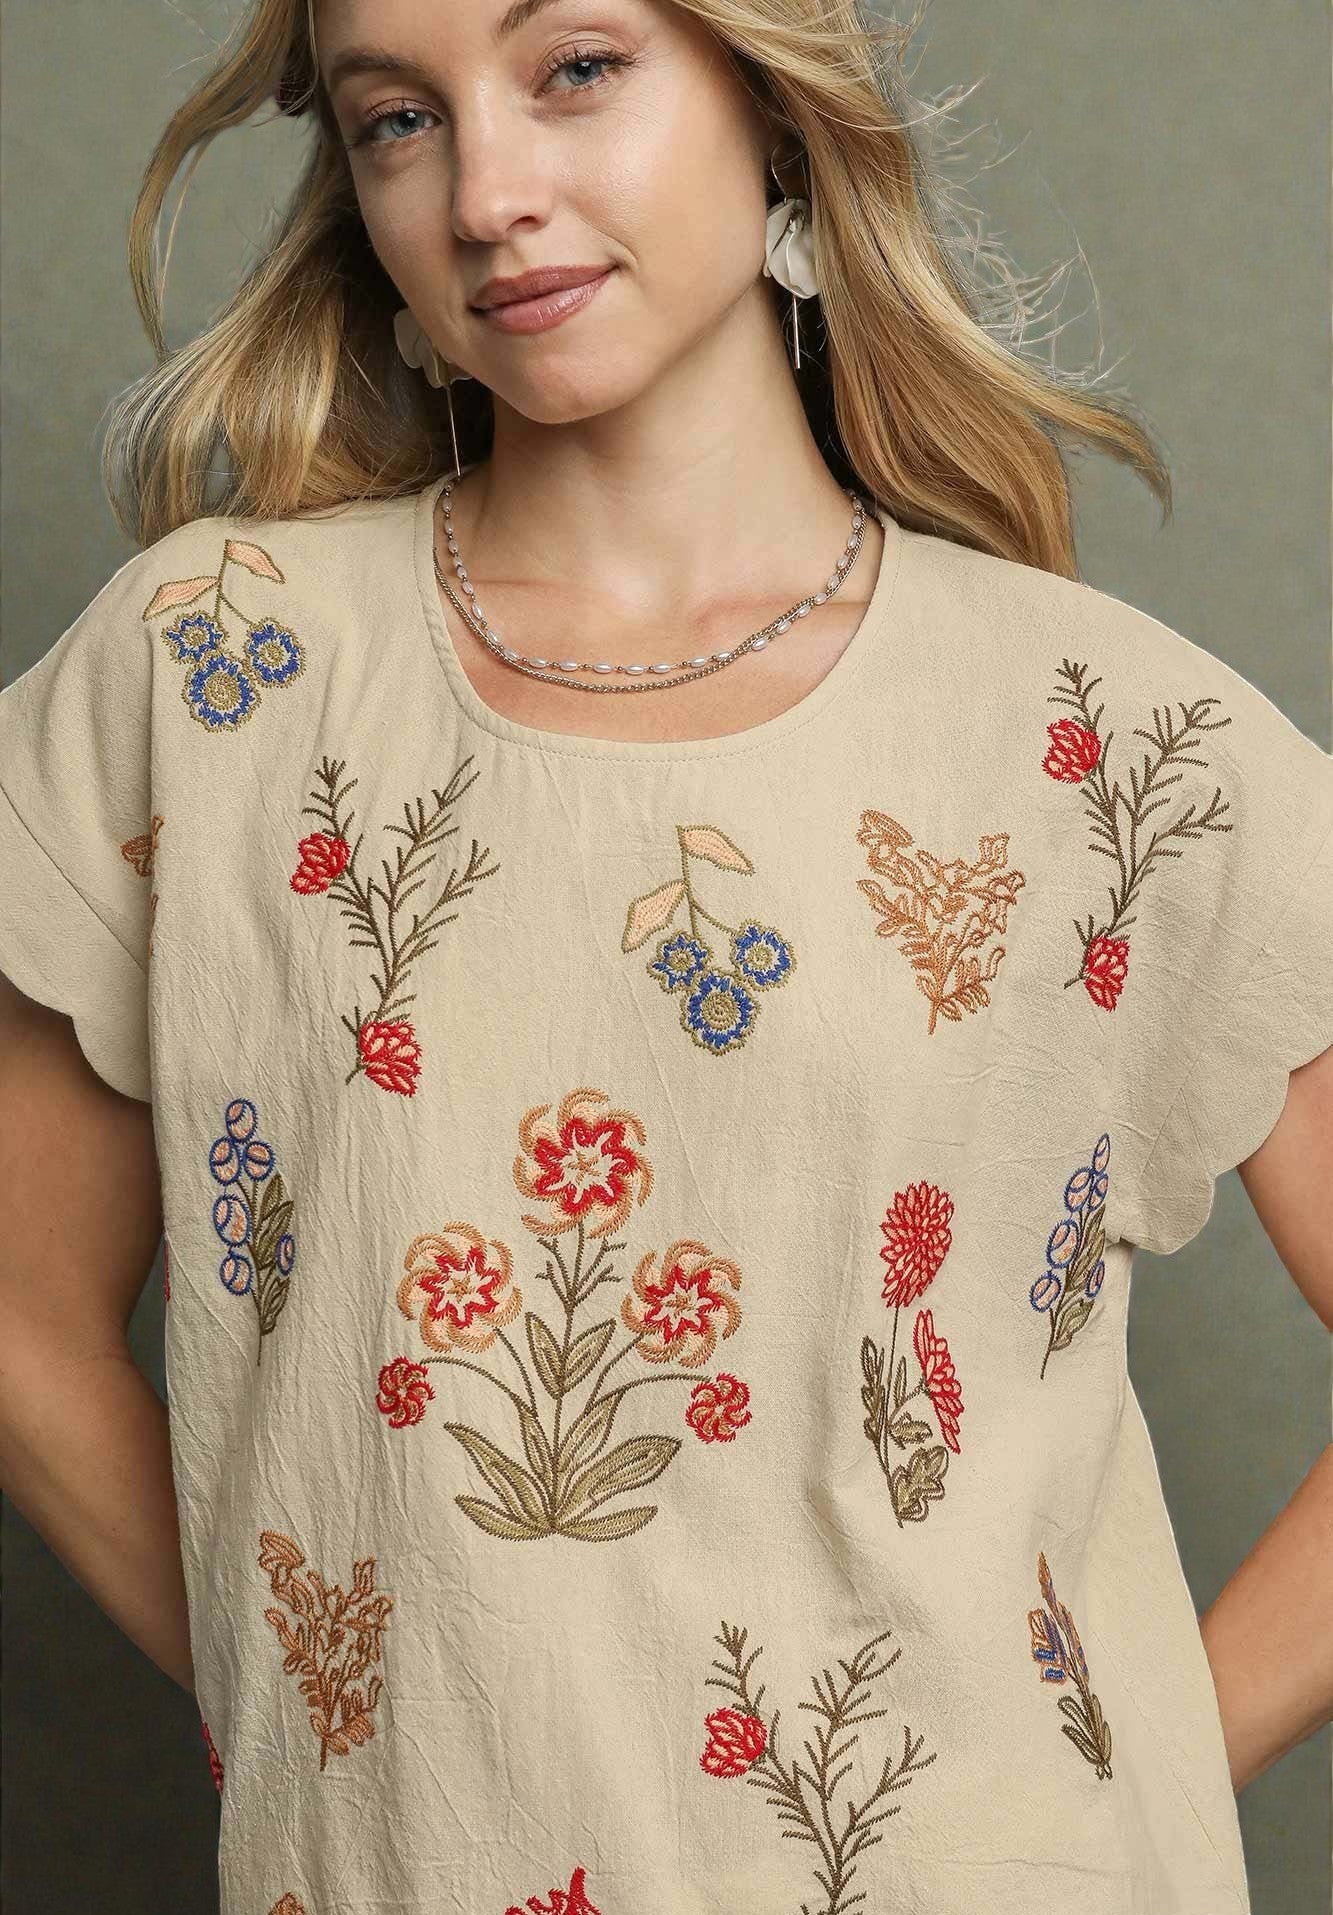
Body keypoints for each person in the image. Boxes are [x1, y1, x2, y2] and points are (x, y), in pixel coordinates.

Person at [1, 0, 1330, 1910]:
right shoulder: (211, 672)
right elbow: (24, 1320)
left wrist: (1121, 1786)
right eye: (397, 120)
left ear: (772, 106)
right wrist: (332, 1702)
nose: (486, 194)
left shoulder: (1109, 741)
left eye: (574, 69)